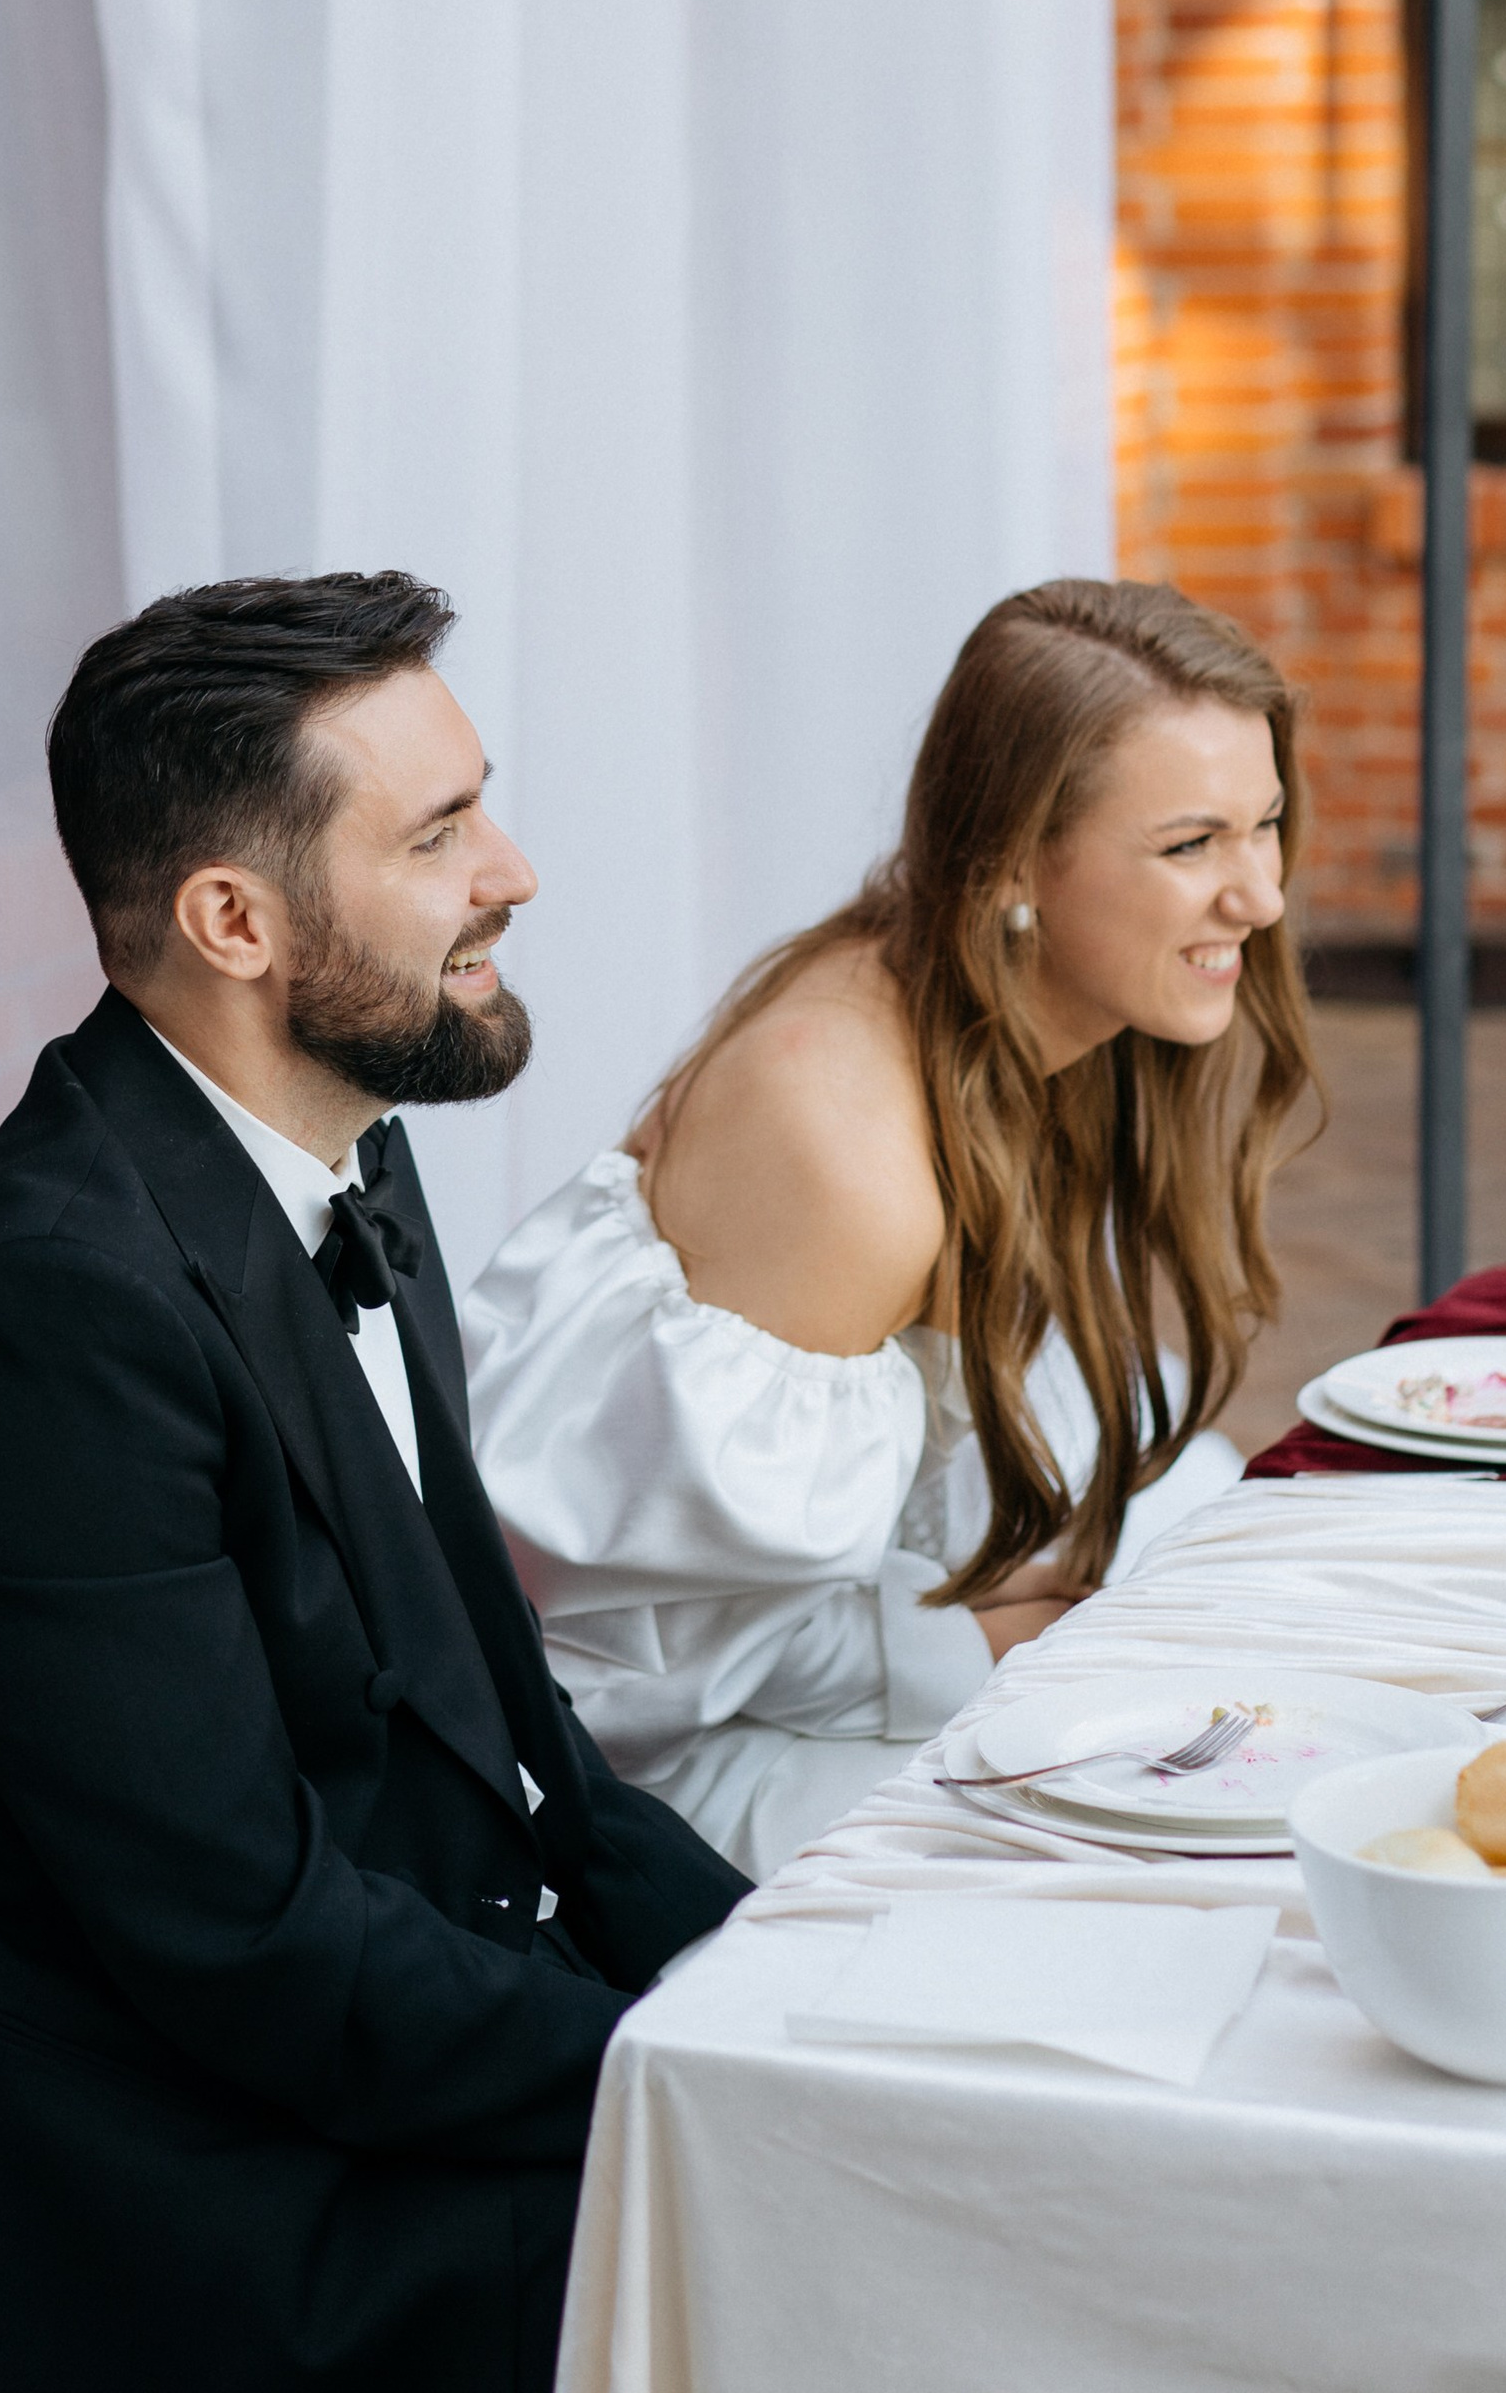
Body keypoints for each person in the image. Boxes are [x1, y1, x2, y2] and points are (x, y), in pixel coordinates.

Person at [0, 574, 747, 2393]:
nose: (513, 873)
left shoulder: (344, 1153)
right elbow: (246, 1948)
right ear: (235, 920)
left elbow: (521, 1744)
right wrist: (685, 2070)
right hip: (244, 2221)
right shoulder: (46, 1319)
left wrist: (783, 1973)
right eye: (439, 834)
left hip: (424, 2042)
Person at [464, 578, 1322, 1880]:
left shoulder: (1023, 1002)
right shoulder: (850, 1157)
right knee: (1207, 1842)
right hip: (683, 1774)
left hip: (878, 1624)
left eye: (1266, 825)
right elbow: (633, 1662)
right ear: (1017, 859)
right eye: (1192, 845)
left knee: (1260, 1573)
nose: (1259, 896)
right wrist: (983, 1641)